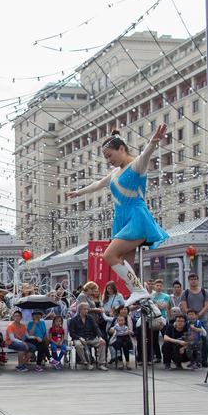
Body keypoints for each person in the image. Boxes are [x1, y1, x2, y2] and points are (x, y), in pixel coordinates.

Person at [66, 125, 169, 307]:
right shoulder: (115, 173)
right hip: (121, 220)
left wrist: (153, 142)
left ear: (121, 149)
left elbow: (145, 155)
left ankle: (139, 291)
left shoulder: (136, 166)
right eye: (106, 157)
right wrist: (79, 193)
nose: (109, 160)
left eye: (110, 155)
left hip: (136, 217)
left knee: (109, 256)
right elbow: (98, 184)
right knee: (125, 265)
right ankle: (147, 302)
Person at [179, 273, 208, 366]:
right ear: (188, 281)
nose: (193, 281)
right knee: (191, 342)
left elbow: (206, 306)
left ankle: (204, 360)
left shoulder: (204, 292)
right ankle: (193, 360)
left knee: (205, 341)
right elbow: (184, 307)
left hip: (202, 320)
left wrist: (198, 315)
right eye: (191, 279)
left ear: (198, 280)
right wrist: (191, 316)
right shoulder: (185, 293)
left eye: (195, 279)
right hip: (190, 321)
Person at [69, 303, 107, 370]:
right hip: (79, 338)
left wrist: (100, 337)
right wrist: (80, 338)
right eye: (84, 309)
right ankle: (86, 362)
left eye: (87, 309)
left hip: (90, 337)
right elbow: (72, 333)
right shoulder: (73, 320)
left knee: (102, 342)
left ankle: (101, 364)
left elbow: (96, 328)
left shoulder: (90, 318)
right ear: (80, 310)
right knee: (78, 345)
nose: (86, 311)